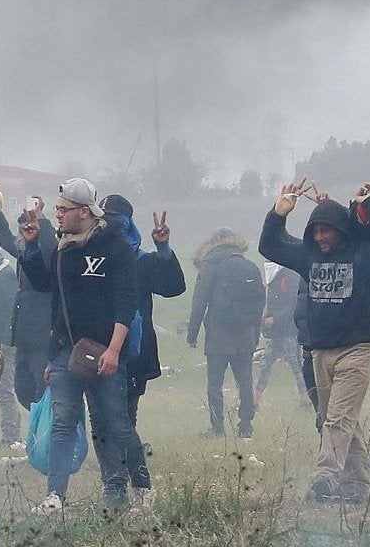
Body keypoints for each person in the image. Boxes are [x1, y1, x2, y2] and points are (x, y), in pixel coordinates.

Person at [261, 180, 370, 502]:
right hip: (320, 351)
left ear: (341, 230)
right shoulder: (307, 257)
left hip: (358, 348)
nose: (320, 237)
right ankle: (356, 489)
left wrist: (369, 203)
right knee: (341, 422)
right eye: (315, 231)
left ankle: (325, 475)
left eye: (326, 230)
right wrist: (279, 213)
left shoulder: (363, 258)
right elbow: (269, 247)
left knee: (338, 418)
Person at [20, 179, 141, 513]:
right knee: (63, 423)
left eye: (63, 210)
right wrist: (30, 249)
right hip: (64, 353)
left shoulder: (115, 246)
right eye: (57, 209)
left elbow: (125, 302)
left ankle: (129, 489)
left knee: (112, 423)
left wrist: (114, 350)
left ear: (84, 212)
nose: (57, 215)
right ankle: (55, 495)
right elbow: (51, 293)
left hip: (105, 351)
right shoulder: (64, 247)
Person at [98, 194, 183, 505]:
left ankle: (131, 480)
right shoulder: (92, 255)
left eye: (117, 221)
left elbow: (174, 287)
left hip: (136, 347)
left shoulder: (142, 260)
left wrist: (163, 248)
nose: (111, 227)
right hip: (99, 344)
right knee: (103, 415)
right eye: (105, 219)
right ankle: (113, 478)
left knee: (125, 415)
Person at [0, 189, 54, 452]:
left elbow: (47, 245)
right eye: (24, 225)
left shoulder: (50, 254)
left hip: (43, 334)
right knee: (25, 391)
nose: (26, 230)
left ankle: (51, 442)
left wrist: (42, 220)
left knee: (44, 392)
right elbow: (9, 241)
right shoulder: (25, 254)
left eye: (30, 225)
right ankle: (41, 437)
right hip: (23, 336)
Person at [188, 229, 266, 438]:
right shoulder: (249, 266)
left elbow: (199, 301)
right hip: (245, 336)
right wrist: (256, 334)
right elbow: (259, 302)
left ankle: (217, 427)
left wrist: (192, 333)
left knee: (215, 384)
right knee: (245, 381)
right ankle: (246, 426)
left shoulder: (210, 265)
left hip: (218, 336)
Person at [254, 264, 309, 406]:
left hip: (288, 332)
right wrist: (267, 318)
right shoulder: (274, 277)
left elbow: (294, 303)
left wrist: (276, 318)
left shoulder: (289, 275)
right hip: (275, 333)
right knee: (264, 365)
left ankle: (306, 399)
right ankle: (255, 400)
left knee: (297, 366)